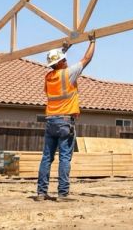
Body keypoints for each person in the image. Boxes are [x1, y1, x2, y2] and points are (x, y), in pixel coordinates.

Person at [35, 33, 96, 202]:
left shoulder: (48, 77)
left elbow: (57, 63)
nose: (67, 61)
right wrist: (92, 41)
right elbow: (86, 59)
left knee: (47, 158)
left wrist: (63, 50)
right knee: (64, 158)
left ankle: (41, 193)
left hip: (51, 121)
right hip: (65, 122)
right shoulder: (68, 74)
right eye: (64, 59)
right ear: (60, 62)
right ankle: (62, 194)